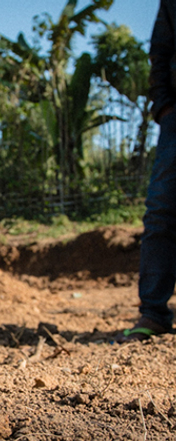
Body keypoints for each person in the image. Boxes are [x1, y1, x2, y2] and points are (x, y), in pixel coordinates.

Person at [117, 0, 176, 342]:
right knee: (161, 210)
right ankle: (153, 312)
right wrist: (164, 105)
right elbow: (161, 49)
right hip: (175, 116)